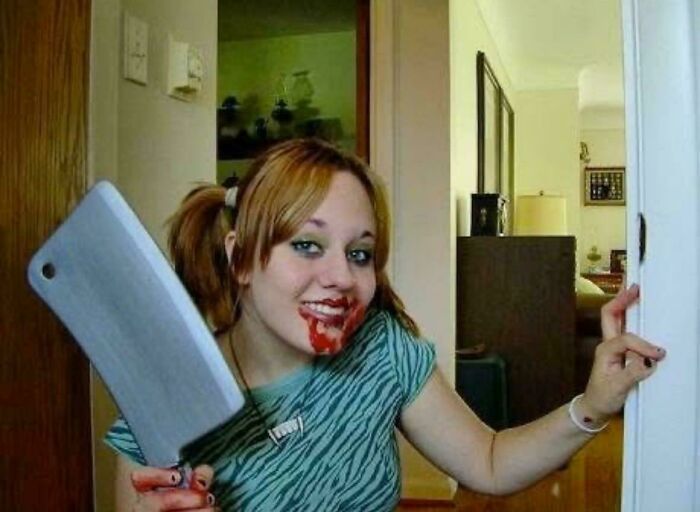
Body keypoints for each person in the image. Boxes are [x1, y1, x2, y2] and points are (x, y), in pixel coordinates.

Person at [107, 138, 665, 511]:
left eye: (360, 254)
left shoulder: (381, 349)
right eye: (307, 245)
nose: (342, 278)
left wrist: (594, 405)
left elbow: (490, 462)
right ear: (240, 259)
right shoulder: (162, 405)